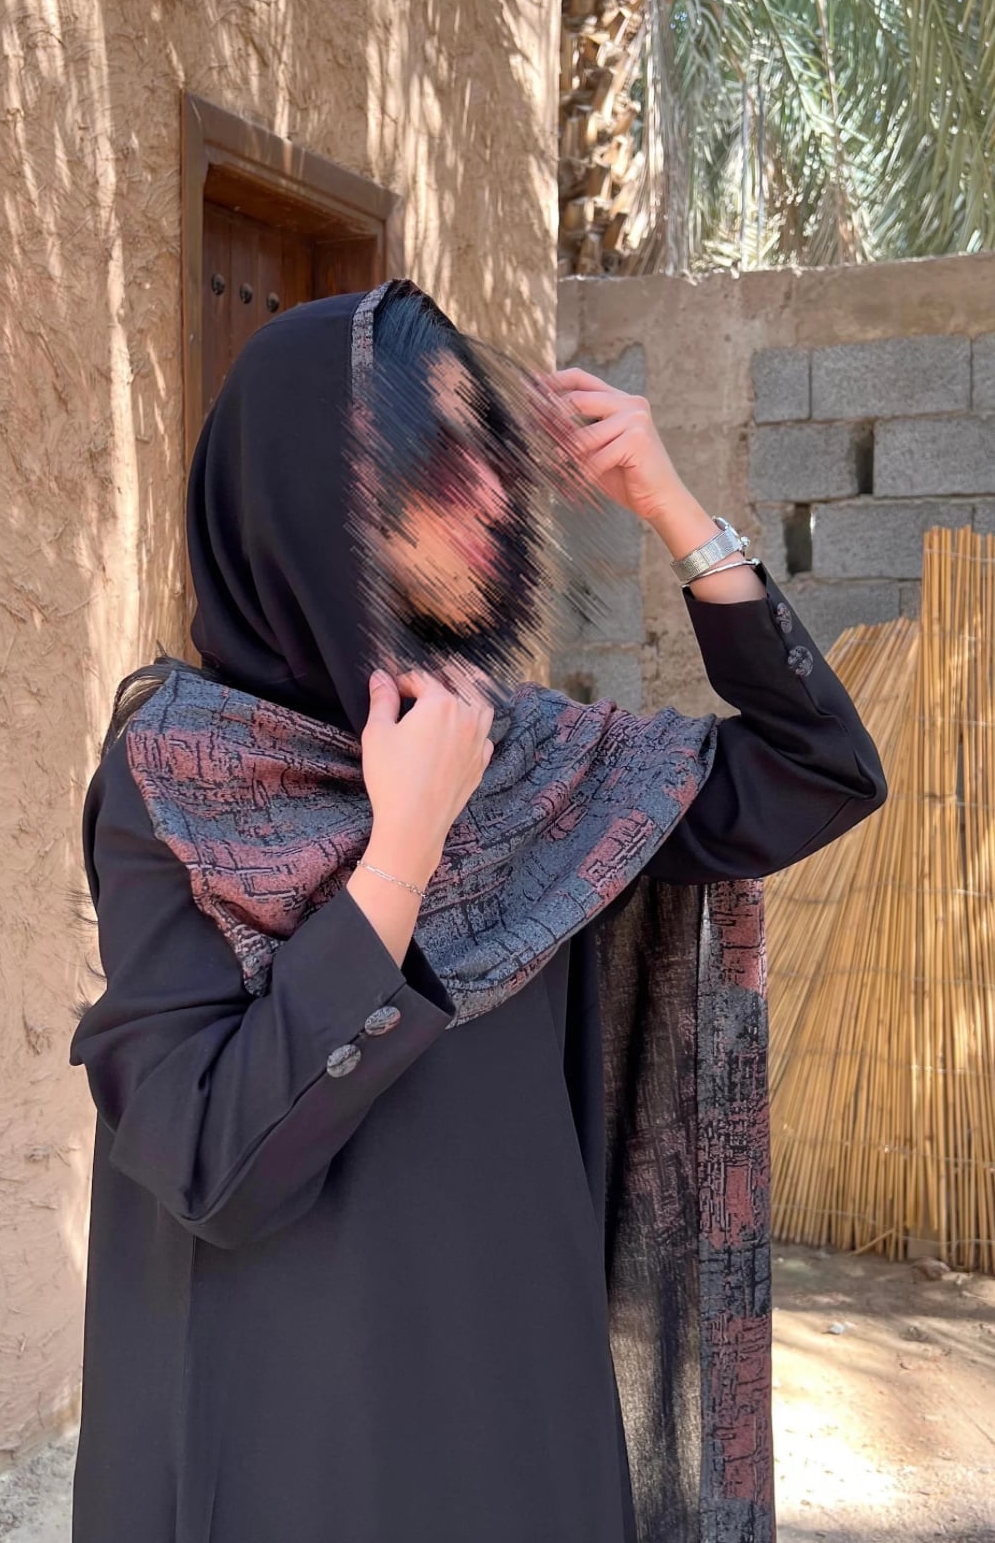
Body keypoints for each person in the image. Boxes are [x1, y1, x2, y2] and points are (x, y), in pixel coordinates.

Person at [68, 280, 886, 1543]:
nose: (497, 497)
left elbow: (815, 773)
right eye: (440, 462)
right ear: (314, 497)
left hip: (521, 1398)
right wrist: (401, 852)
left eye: (495, 455)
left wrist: (675, 512)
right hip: (301, 1432)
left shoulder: (527, 761)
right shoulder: (183, 779)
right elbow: (213, 1162)